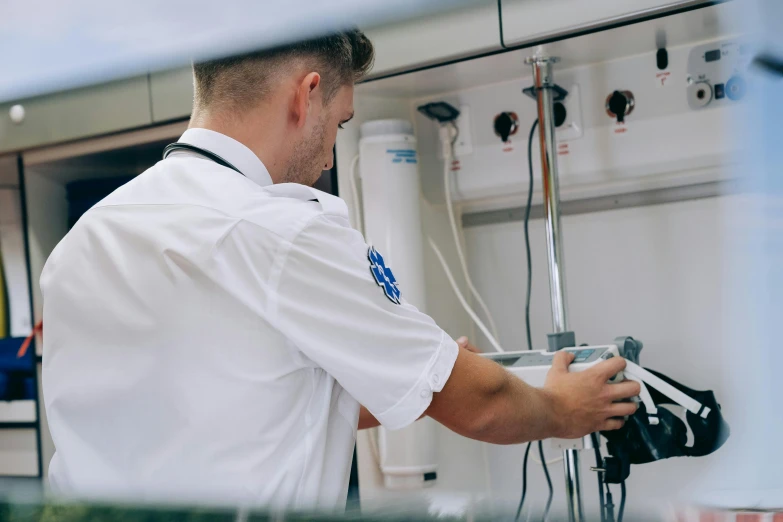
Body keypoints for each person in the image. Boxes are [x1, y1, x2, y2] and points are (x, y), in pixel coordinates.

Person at [41, 29, 640, 511]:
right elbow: (479, 403)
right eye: (341, 121)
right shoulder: (281, 230)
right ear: (306, 95)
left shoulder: (88, 235)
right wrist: (565, 408)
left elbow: (213, 408)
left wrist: (399, 373)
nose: (330, 154)